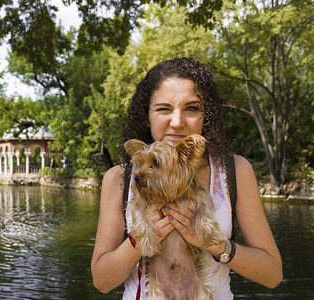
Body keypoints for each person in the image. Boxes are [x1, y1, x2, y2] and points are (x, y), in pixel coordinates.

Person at [91, 57, 282, 299]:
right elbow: (102, 281)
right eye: (163, 109)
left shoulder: (235, 170)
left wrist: (211, 242)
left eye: (192, 108)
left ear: (207, 115)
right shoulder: (120, 177)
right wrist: (142, 238)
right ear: (146, 115)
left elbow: (273, 274)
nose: (177, 122)